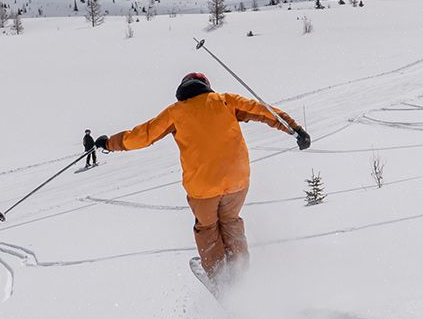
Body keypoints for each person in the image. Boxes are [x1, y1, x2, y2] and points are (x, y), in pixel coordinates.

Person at [95, 71, 308, 284]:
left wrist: (109, 143)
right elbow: (262, 111)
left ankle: (220, 277)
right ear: (206, 85)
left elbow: (143, 135)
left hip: (203, 188)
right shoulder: (226, 101)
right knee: (231, 221)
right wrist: (295, 129)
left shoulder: (176, 112)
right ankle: (241, 273)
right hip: (236, 179)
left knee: (207, 228)